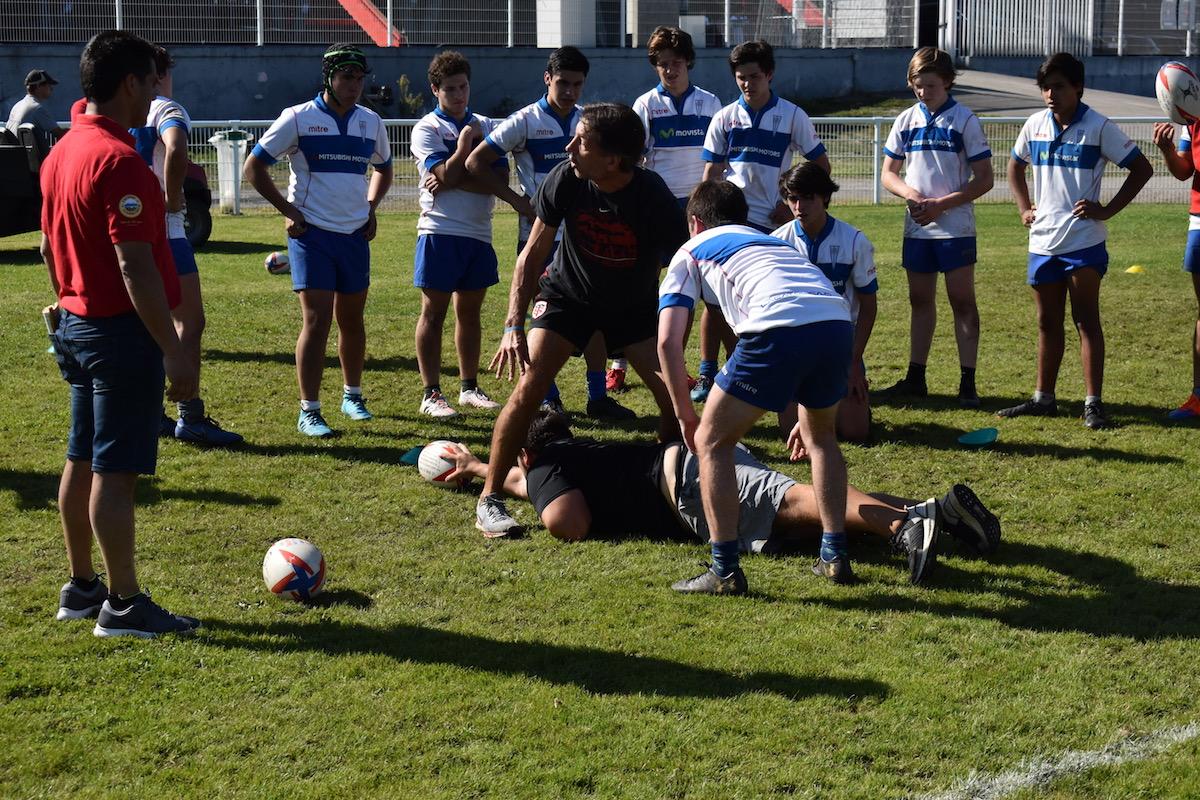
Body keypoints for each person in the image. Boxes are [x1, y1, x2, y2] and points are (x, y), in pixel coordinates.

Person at [442, 410, 1001, 585]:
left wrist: (524, 491)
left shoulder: (547, 465)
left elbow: (567, 521)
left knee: (790, 502)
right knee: (801, 513)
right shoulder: (570, 456)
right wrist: (473, 467)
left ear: (525, 453)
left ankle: (901, 529)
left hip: (686, 482)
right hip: (689, 472)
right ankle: (932, 513)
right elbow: (531, 489)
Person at [41, 30, 201, 637]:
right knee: (114, 469)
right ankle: (123, 603)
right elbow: (135, 265)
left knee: (81, 456)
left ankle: (82, 587)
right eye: (151, 83)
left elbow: (48, 243)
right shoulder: (119, 161)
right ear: (131, 83)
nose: (155, 94)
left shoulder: (63, 150)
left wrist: (65, 297)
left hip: (79, 324)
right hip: (118, 334)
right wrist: (173, 350)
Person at [472, 103, 688, 538]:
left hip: (632, 308)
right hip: (567, 297)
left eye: (581, 141)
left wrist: (671, 326)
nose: (569, 146)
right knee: (530, 387)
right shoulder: (566, 178)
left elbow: (686, 262)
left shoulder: (652, 195)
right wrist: (513, 324)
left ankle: (676, 480)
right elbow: (532, 253)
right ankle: (489, 499)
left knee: (673, 398)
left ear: (613, 160)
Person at [658, 180, 857, 595]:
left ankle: (725, 570)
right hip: (837, 324)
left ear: (694, 222)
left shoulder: (691, 248)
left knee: (712, 442)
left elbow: (667, 340)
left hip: (776, 329)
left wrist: (683, 414)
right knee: (822, 438)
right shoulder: (774, 242)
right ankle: (834, 555)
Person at [464, 47, 629, 421]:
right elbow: (476, 162)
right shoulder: (524, 120)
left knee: (597, 318)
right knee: (544, 318)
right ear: (547, 79)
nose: (570, 91)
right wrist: (519, 202)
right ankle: (549, 397)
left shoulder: (589, 122)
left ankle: (596, 396)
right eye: (563, 83)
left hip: (584, 239)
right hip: (540, 239)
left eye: (577, 84)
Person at [244, 43, 393, 438]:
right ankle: (308, 410)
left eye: (359, 79)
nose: (354, 86)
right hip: (312, 235)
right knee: (317, 321)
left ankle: (353, 395)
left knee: (352, 320)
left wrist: (371, 207)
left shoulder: (371, 122)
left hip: (354, 236)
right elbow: (254, 167)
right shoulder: (297, 117)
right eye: (346, 78)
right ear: (328, 78)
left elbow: (384, 169)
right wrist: (288, 211)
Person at [1003, 52, 1152, 429]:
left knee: (1086, 321)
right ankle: (1043, 398)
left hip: (1083, 242)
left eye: (1059, 86)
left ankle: (1093, 404)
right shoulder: (1034, 124)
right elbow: (1015, 166)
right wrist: (1024, 208)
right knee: (1046, 322)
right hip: (1042, 242)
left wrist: (1106, 210)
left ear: (1078, 87)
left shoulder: (1099, 127)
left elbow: (1141, 168)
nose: (1051, 94)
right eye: (1046, 88)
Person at [693, 39, 829, 404]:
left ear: (769, 74)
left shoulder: (792, 115)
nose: (747, 84)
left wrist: (792, 203)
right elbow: (712, 172)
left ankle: (758, 371)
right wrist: (708, 217)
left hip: (775, 227)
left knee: (766, 303)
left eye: (754, 76)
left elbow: (820, 166)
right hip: (731, 224)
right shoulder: (725, 117)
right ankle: (708, 373)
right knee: (715, 300)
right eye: (741, 78)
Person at [132, 45, 242, 446]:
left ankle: (150, 413)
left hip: (128, 231)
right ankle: (189, 415)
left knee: (143, 325)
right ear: (159, 76)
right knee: (189, 323)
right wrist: (173, 198)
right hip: (167, 232)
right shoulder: (163, 106)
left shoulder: (111, 112)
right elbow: (176, 146)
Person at [410, 51, 529, 419]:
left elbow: (496, 180)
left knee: (471, 314)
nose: (459, 95)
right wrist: (463, 149)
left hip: (479, 233)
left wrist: (453, 175)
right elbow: (445, 176)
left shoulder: (488, 124)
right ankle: (431, 393)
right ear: (435, 90)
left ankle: (468, 387)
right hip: (439, 231)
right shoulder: (426, 128)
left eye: (463, 87)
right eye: (450, 89)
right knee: (433, 313)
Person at [606, 25, 723, 394]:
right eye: (662, 64)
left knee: (687, 291)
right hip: (654, 205)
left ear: (688, 62)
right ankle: (618, 363)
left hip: (696, 209)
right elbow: (635, 157)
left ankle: (677, 365)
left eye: (675, 63)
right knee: (638, 288)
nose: (670, 70)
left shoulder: (710, 103)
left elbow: (718, 157)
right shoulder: (646, 104)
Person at [879, 48, 994, 408]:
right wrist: (911, 194)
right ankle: (916, 377)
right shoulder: (906, 120)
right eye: (917, 85)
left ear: (946, 81)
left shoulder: (964, 120)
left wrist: (941, 205)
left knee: (962, 302)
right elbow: (888, 174)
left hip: (955, 227)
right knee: (920, 301)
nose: (923, 92)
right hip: (917, 228)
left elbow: (986, 179)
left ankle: (967, 383)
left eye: (930, 85)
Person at [772, 162, 877, 444]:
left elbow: (868, 305)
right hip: (795, 344)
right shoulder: (776, 243)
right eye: (793, 198)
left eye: (808, 197)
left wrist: (854, 362)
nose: (799, 205)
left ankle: (854, 405)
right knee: (791, 435)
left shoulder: (854, 240)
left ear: (825, 198)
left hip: (839, 343)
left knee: (855, 433)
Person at [1151, 119, 1200, 420]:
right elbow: (1184, 170)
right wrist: (1168, 149)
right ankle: (1198, 397)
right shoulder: (1193, 113)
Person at [6, 68, 66, 144]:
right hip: (28, 155)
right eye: (48, 85)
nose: (51, 88)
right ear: (38, 86)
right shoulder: (37, 109)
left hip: (16, 154)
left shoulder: (17, 106)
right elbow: (60, 134)